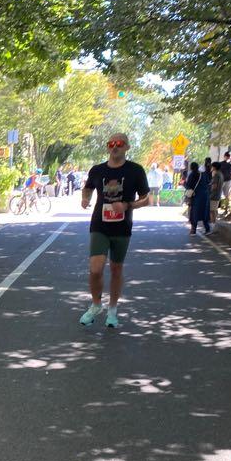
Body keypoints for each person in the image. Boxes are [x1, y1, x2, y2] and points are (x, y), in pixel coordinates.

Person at [79, 133, 150, 329]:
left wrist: (127, 205)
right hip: (99, 225)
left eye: (119, 143)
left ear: (127, 147)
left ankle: (112, 309)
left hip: (122, 226)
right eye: (111, 143)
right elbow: (88, 187)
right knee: (95, 269)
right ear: (107, 147)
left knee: (116, 269)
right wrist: (85, 198)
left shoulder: (135, 170)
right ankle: (96, 305)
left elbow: (146, 199)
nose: (115, 147)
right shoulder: (97, 170)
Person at [184, 160, 212, 235]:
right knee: (205, 212)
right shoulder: (204, 174)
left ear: (191, 168)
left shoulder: (192, 174)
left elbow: (188, 186)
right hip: (205, 196)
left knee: (195, 213)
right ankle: (207, 229)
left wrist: (184, 183)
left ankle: (193, 230)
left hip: (196, 196)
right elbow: (208, 183)